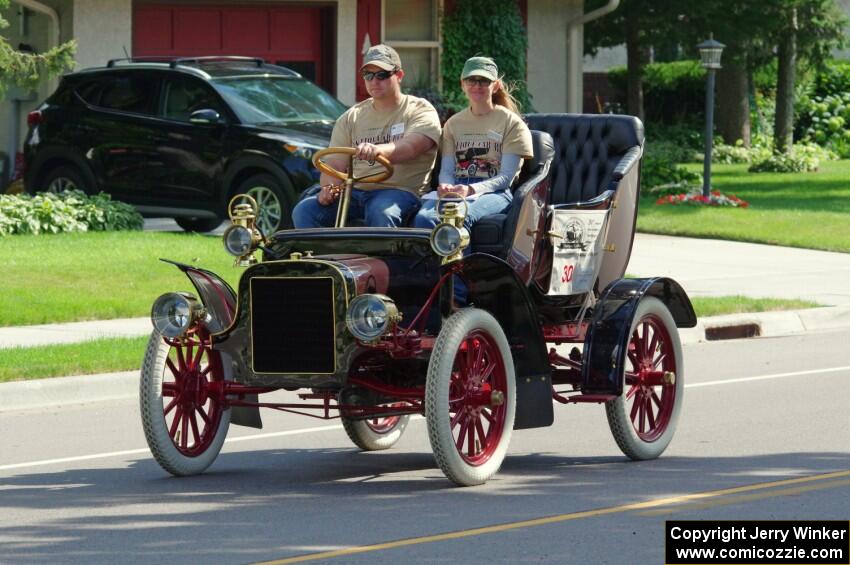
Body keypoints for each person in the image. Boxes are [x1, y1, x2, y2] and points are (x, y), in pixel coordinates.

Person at [292, 44, 441, 228]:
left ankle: (386, 258)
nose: (374, 81)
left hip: (399, 191)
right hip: (354, 192)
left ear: (399, 76)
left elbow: (412, 147)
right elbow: (334, 165)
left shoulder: (419, 109)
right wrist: (329, 188)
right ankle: (322, 257)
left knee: (381, 211)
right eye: (368, 75)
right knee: (305, 210)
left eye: (382, 75)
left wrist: (378, 150)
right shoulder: (351, 117)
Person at [413, 56, 533, 233]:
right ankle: (434, 262)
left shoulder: (512, 123)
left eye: (484, 80)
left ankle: (462, 262)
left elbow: (505, 177)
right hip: (457, 188)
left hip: (495, 193)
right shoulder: (453, 124)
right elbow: (447, 170)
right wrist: (446, 185)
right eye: (471, 80)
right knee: (423, 218)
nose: (477, 86)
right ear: (462, 84)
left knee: (458, 217)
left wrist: (470, 189)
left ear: (495, 86)